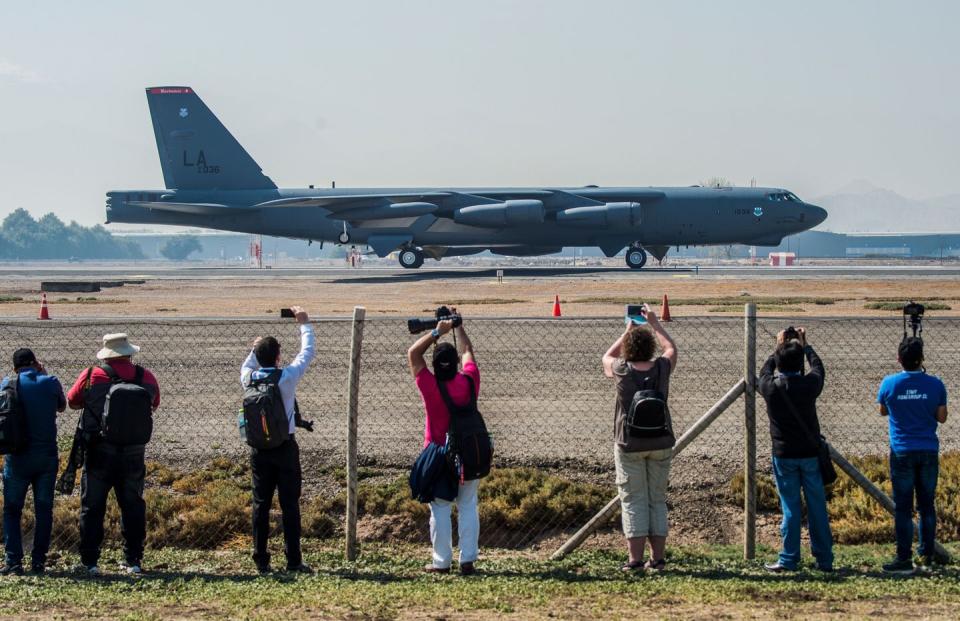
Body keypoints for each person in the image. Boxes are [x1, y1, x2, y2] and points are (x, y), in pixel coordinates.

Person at [66, 333, 160, 576]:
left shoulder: (91, 375)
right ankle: (133, 560)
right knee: (133, 506)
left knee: (93, 507)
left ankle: (90, 562)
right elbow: (154, 403)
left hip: (98, 451)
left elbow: (72, 401)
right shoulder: (145, 377)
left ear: (106, 353)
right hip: (133, 453)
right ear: (129, 352)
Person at [602, 303, 678, 572]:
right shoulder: (661, 368)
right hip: (660, 442)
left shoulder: (622, 370)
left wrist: (628, 330)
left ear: (628, 350)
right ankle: (657, 559)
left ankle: (634, 560)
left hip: (629, 442)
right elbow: (671, 350)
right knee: (656, 499)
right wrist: (655, 324)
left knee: (632, 499)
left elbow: (606, 357)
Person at [241, 305, 316, 574]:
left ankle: (261, 560)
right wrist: (304, 323)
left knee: (260, 504)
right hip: (285, 447)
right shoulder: (285, 378)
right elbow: (307, 353)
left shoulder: (248, 379)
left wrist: (255, 347)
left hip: (259, 449)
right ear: (278, 357)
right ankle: (293, 560)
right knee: (289, 505)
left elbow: (248, 364)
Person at [408, 306, 481, 576]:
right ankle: (468, 559)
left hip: (438, 453)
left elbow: (414, 354)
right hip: (469, 452)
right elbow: (467, 353)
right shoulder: (470, 382)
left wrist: (437, 332)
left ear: (435, 366)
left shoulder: (429, 385)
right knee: (468, 505)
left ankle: (441, 562)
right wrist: (458, 326)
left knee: (439, 507)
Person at [758, 327, 833, 573]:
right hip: (810, 453)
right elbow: (819, 369)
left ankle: (789, 558)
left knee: (790, 508)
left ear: (779, 362)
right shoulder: (809, 385)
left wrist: (778, 348)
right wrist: (805, 346)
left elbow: (764, 372)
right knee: (817, 507)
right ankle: (824, 559)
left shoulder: (771, 388)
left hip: (784, 454)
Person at [877, 337, 948, 574]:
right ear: (922, 359)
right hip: (927, 449)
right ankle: (926, 554)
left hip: (902, 450)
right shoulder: (936, 384)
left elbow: (883, 410)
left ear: (899, 359)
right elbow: (942, 417)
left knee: (903, 507)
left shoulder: (889, 383)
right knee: (927, 505)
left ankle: (903, 557)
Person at [0, 349, 66, 576]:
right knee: (44, 510)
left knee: (12, 509)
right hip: (46, 457)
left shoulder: (8, 383)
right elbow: (61, 406)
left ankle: (13, 561)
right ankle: (38, 561)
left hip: (17, 456)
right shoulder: (51, 382)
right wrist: (44, 373)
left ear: (15, 367)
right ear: (35, 362)